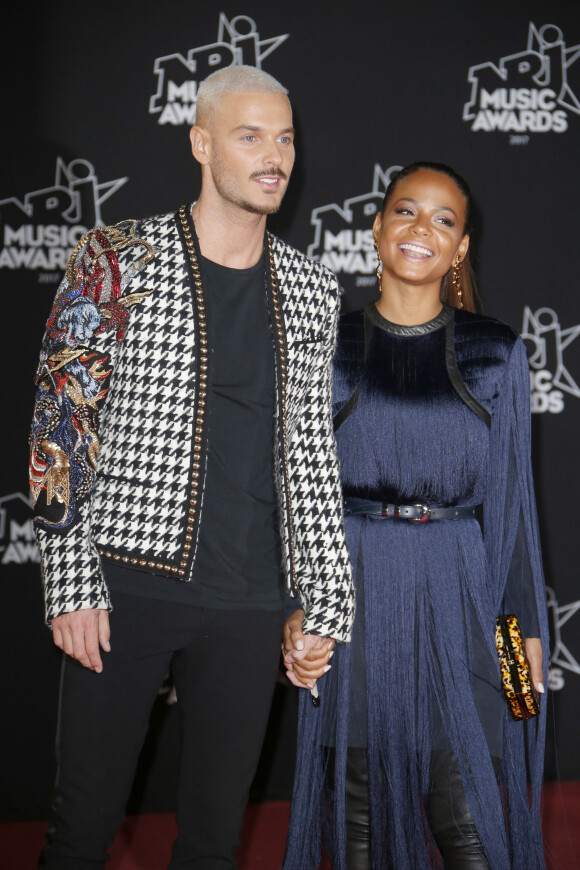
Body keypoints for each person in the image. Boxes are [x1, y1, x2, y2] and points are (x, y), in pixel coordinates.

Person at [29, 65, 354, 870]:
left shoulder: (312, 289)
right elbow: (60, 423)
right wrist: (70, 579)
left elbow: (310, 451)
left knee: (213, 842)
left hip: (247, 602)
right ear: (202, 142)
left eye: (284, 138)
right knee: (82, 830)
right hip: (126, 587)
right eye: (250, 137)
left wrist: (326, 598)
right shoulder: (116, 256)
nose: (274, 156)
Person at [282, 162, 549, 870]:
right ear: (376, 228)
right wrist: (300, 611)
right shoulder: (325, 349)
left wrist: (521, 643)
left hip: (463, 594)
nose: (421, 228)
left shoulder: (496, 351)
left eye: (443, 219)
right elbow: (300, 503)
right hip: (358, 598)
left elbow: (512, 516)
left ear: (460, 248)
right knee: (361, 823)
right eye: (405, 210)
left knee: (469, 822)